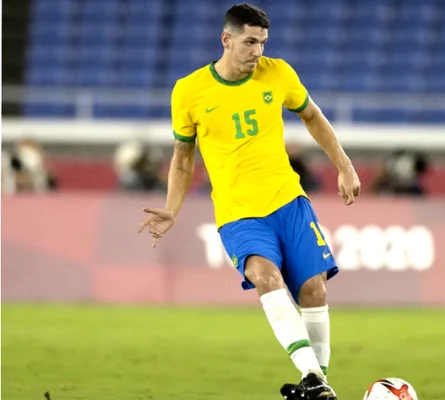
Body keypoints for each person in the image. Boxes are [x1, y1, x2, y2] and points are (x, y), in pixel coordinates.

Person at [136, 4, 359, 400]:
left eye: (263, 42)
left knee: (314, 291)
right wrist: (172, 207)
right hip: (239, 214)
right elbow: (183, 159)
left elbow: (313, 117)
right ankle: (314, 378)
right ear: (227, 39)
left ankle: (317, 385)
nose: (258, 51)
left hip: (288, 201)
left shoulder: (279, 73)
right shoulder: (188, 91)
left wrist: (344, 165)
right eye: (250, 42)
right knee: (265, 277)